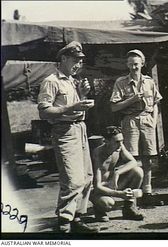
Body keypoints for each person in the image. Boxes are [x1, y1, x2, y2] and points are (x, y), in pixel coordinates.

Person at [38, 41, 99, 233]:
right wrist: (71, 107)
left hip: (80, 129)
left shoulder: (73, 81)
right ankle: (64, 222)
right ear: (63, 58)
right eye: (75, 60)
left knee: (87, 177)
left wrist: (82, 95)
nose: (78, 64)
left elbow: (76, 107)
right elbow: (44, 111)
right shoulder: (51, 81)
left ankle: (77, 217)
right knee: (72, 180)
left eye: (80, 61)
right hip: (64, 132)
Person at [110, 49, 163, 206]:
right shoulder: (121, 82)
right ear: (127, 65)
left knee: (148, 158)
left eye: (137, 64)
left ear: (143, 64)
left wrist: (153, 121)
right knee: (132, 158)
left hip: (147, 121)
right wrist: (131, 100)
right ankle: (131, 195)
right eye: (131, 64)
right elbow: (114, 107)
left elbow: (155, 104)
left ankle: (147, 192)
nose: (134, 67)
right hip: (130, 121)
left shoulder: (149, 82)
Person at [91, 126, 144, 221]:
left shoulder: (119, 147)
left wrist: (117, 173)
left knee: (138, 171)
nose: (120, 144)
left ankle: (129, 208)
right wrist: (120, 194)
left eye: (122, 141)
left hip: (112, 183)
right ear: (106, 141)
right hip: (99, 189)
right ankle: (99, 210)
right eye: (117, 142)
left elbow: (133, 162)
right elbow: (97, 186)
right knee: (108, 203)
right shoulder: (98, 153)